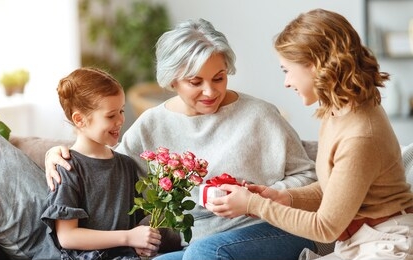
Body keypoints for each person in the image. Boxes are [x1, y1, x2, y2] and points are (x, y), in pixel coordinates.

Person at [45, 19, 318, 259]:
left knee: (204, 253)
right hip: (198, 247)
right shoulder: (151, 126)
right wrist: (56, 154)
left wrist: (261, 199)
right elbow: (108, 163)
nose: (210, 91)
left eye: (219, 78)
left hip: (272, 230)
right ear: (172, 80)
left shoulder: (260, 115)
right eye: (195, 82)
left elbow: (308, 176)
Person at [206, 9, 413, 260]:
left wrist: (255, 205)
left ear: (314, 66)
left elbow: (325, 228)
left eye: (286, 70)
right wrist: (283, 196)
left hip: (386, 243)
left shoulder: (360, 134)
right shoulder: (336, 110)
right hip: (360, 242)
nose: (286, 82)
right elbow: (333, 189)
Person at [40, 67, 161, 260]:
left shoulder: (126, 165)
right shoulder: (67, 167)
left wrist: (140, 242)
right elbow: (68, 237)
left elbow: (130, 225)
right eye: (111, 115)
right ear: (79, 119)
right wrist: (128, 238)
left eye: (121, 111)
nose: (121, 120)